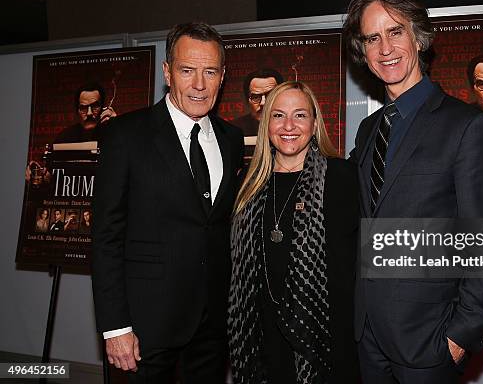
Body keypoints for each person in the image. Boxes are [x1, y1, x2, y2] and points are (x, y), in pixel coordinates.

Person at [343, 0, 483, 383]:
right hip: (366, 337)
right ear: (363, 51)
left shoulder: (467, 126)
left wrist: (460, 336)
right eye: (372, 38)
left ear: (418, 37)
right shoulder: (368, 130)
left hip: (429, 341)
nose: (385, 48)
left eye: (396, 31)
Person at [92, 21, 244, 383]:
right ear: (167, 71)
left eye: (210, 72)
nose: (199, 84)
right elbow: (106, 237)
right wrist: (116, 328)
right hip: (145, 329)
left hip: (212, 327)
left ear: (222, 76)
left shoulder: (232, 139)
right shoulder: (125, 135)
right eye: (187, 70)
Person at [228, 81, 360, 383]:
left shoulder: (342, 178)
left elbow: (368, 262)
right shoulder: (246, 187)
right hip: (262, 339)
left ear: (314, 124)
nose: (289, 125)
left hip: (327, 340)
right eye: (278, 115)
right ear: (266, 124)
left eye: (300, 115)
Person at [25, 82, 118, 184]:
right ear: (77, 110)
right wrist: (38, 173)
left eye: (95, 106)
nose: (89, 113)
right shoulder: (64, 137)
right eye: (83, 108)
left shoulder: (115, 133)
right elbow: (50, 175)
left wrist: (118, 125)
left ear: (103, 108)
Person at [233, 68, 284, 136]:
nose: (263, 103)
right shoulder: (234, 130)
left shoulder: (295, 125)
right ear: (247, 101)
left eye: (270, 95)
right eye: (256, 97)